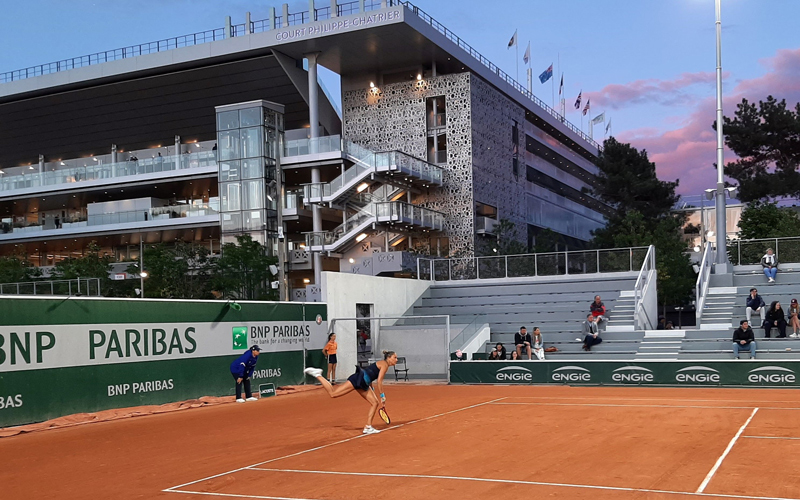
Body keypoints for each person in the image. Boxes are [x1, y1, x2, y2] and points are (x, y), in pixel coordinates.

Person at [304, 350, 398, 435]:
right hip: (359, 380)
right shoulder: (384, 365)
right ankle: (318, 375)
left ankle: (368, 427)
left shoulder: (382, 364)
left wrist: (371, 388)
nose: (396, 360)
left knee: (374, 402)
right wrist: (382, 396)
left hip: (361, 381)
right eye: (395, 357)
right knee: (333, 394)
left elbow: (370, 372)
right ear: (389, 358)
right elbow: (379, 381)